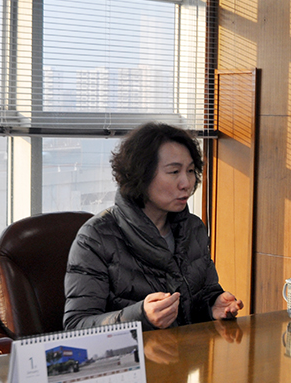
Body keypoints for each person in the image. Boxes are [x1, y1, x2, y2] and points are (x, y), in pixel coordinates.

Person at [64, 122, 243, 331]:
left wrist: (212, 306)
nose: (186, 183)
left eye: (190, 170)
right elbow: (76, 326)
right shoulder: (95, 237)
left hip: (186, 350)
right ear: (141, 174)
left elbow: (199, 298)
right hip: (133, 353)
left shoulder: (193, 228)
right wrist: (141, 317)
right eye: (174, 171)